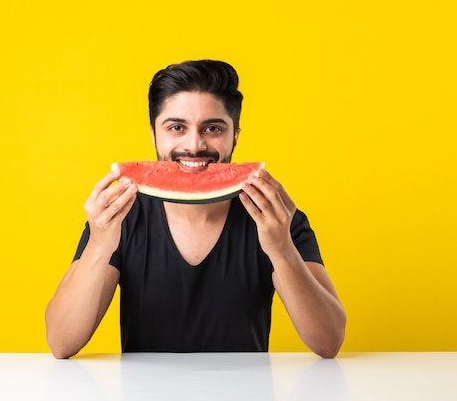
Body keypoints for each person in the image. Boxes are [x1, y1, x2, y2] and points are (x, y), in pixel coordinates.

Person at [45, 60, 346, 359]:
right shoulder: (120, 218)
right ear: (153, 134)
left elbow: (328, 342)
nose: (195, 145)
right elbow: (61, 343)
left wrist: (281, 249)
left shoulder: (275, 218)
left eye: (213, 128)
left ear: (235, 135)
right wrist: (99, 246)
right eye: (176, 127)